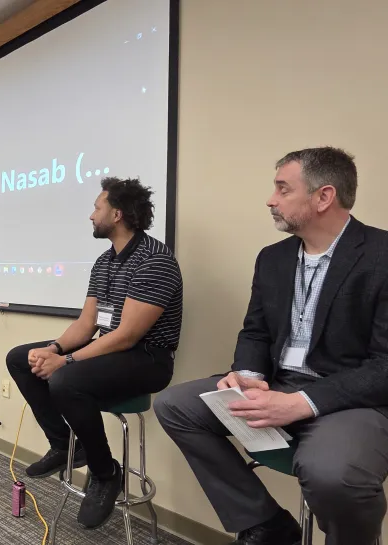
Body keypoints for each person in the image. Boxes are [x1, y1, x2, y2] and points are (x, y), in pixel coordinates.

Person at [155, 147, 388, 545]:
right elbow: (256, 332)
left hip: (351, 401)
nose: (270, 199)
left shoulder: (381, 255)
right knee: (175, 405)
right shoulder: (273, 259)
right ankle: (266, 523)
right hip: (278, 384)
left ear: (323, 196)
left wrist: (302, 402)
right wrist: (247, 374)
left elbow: (383, 365)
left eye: (282, 189)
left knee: (333, 475)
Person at [6, 177, 183, 529]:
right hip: (110, 347)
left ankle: (106, 473)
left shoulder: (155, 260)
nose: (91, 215)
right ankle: (64, 445)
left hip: (147, 358)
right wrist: (53, 349)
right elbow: (87, 324)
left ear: (116, 214)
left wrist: (66, 361)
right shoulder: (105, 261)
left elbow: (127, 336)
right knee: (20, 358)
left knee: (66, 380)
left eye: (96, 208)